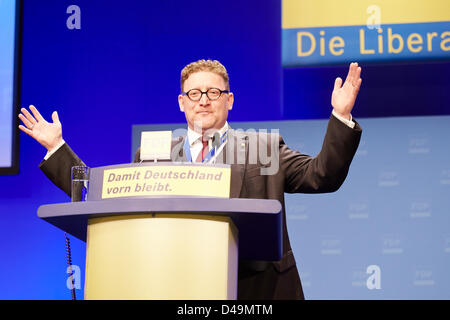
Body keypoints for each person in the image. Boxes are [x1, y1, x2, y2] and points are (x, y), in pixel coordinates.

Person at [19, 59, 362, 299]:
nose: (204, 101)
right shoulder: (153, 153)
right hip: (177, 285)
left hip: (258, 290)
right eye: (194, 94)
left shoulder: (264, 147)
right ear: (182, 103)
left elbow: (323, 175)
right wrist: (57, 148)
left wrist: (341, 116)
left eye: (213, 93)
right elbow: (104, 194)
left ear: (229, 101)